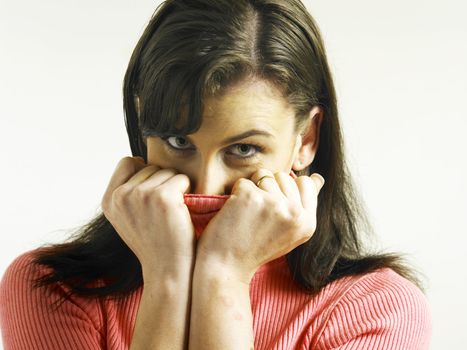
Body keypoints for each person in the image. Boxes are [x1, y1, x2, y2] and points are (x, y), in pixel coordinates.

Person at [0, 0, 432, 349]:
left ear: (305, 141)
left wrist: (223, 278)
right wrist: (167, 278)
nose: (204, 185)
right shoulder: (50, 291)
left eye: (244, 149)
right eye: (178, 141)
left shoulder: (377, 313)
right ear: (141, 122)